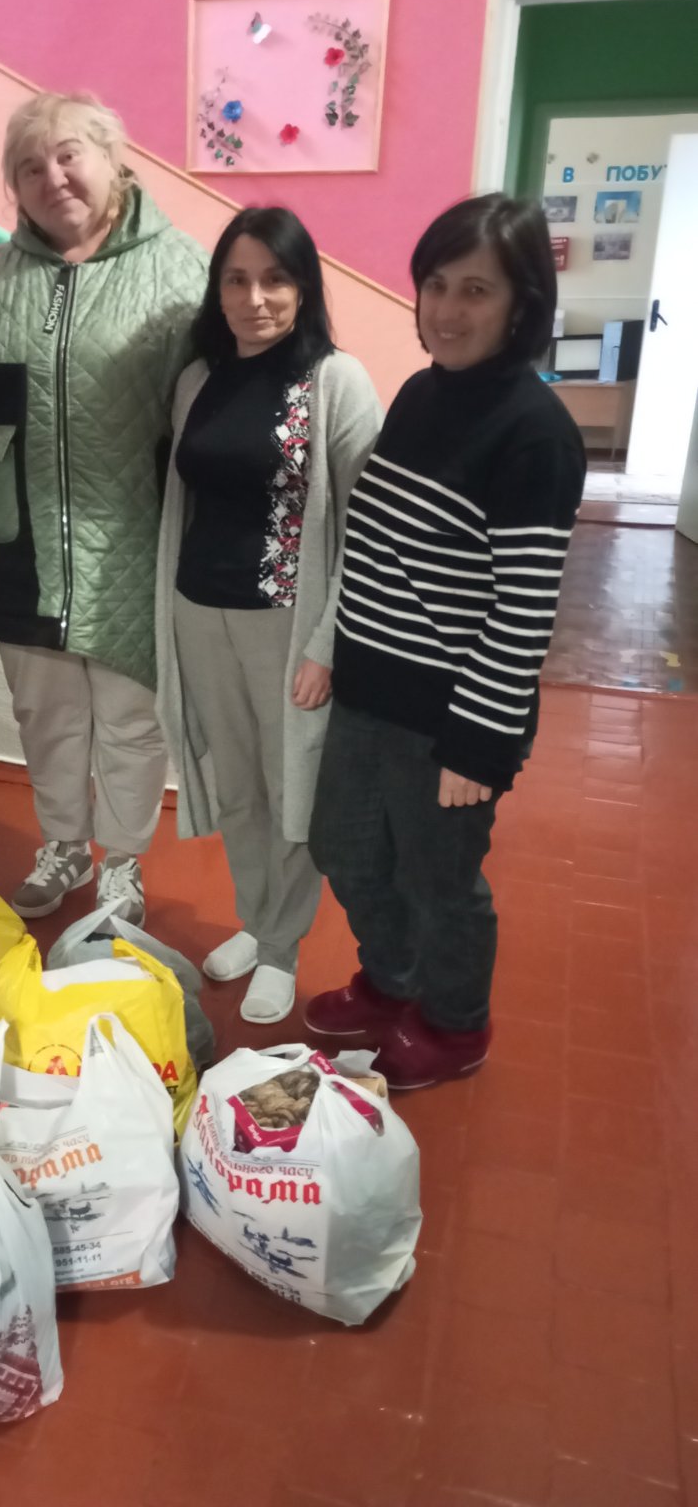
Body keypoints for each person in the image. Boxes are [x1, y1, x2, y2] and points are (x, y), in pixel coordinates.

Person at [306, 193, 586, 1086]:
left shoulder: (536, 435)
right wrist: (330, 650)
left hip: (451, 717)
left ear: (520, 305)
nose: (448, 310)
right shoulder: (422, 392)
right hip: (368, 689)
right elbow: (372, 541)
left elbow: (523, 611)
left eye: (476, 290)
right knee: (344, 848)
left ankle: (457, 1024)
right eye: (435, 285)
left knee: (440, 880)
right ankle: (394, 979)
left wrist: (477, 742)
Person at [0, 91, 207, 925]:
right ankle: (63, 844)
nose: (53, 177)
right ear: (13, 187)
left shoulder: (181, 270)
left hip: (134, 542)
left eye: (69, 154)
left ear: (114, 160)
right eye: (29, 167)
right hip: (18, 541)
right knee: (44, 714)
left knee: (128, 716)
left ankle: (120, 862)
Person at [155, 208, 382, 1024]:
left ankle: (281, 948)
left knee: (292, 791)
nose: (255, 298)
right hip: (197, 609)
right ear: (216, 291)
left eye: (275, 279)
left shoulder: (335, 381)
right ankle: (257, 921)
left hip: (286, 624)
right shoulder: (196, 379)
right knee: (239, 788)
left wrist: (328, 643)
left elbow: (369, 527)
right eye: (237, 280)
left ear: (303, 286)